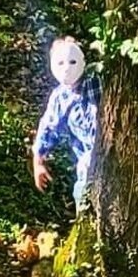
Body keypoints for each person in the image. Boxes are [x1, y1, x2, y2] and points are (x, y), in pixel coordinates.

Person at [32, 36, 101, 211]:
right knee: (82, 193)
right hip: (87, 164)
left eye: (72, 62)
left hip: (113, 155)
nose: (67, 68)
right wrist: (38, 162)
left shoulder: (97, 80)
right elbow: (48, 127)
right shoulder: (59, 97)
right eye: (60, 63)